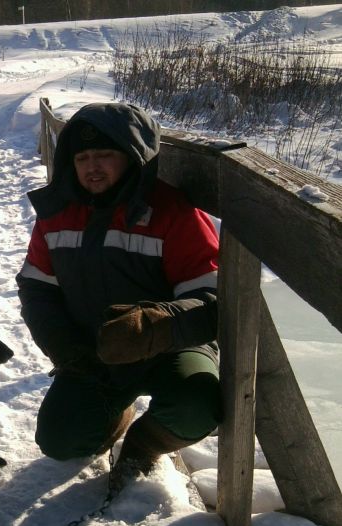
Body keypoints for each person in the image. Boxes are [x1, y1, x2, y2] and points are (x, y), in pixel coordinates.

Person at [16, 101, 221, 490]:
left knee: (197, 403)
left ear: (133, 155)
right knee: (60, 441)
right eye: (82, 158)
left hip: (172, 347)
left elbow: (212, 298)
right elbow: (36, 287)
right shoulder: (56, 215)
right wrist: (62, 344)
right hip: (96, 351)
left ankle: (145, 444)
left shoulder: (174, 213)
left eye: (105, 155)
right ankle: (116, 414)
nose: (92, 167)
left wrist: (156, 325)